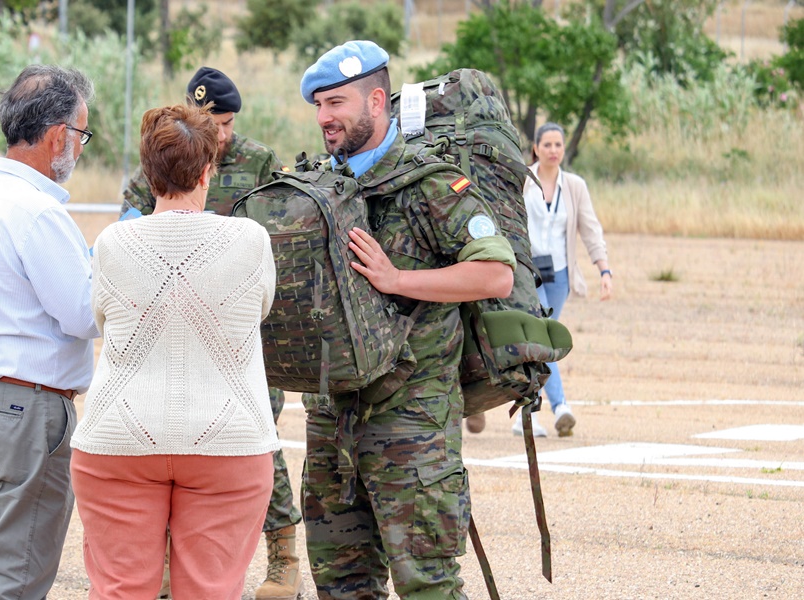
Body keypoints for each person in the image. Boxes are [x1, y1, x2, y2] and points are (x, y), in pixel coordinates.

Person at [298, 41, 516, 598]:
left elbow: (495, 274)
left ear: (376, 100)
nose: (325, 117)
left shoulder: (431, 185)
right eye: (318, 105)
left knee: (429, 588)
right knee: (342, 587)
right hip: (332, 427)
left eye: (336, 103)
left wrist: (398, 280)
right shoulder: (317, 190)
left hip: (412, 425)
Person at [71, 102, 279, 600]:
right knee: (211, 592)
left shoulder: (114, 242)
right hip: (228, 441)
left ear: (148, 171)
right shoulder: (251, 239)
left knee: (120, 591)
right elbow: (260, 309)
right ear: (208, 170)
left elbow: (102, 318)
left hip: (118, 439)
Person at [120, 67, 303, 600]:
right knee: (175, 448)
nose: (220, 135)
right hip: (175, 333)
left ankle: (284, 555)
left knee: (258, 442)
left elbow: (284, 242)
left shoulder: (261, 162)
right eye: (211, 123)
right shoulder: (165, 160)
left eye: (225, 124)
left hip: (238, 337)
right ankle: (175, 571)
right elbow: (134, 229)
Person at [0, 65, 100, 600]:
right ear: (58, 136)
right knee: (16, 581)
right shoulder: (36, 214)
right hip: (24, 409)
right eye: (81, 133)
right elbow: (80, 313)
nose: (79, 147)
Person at [516, 122, 613, 438]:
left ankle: (527, 412)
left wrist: (604, 270)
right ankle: (559, 408)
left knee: (542, 344)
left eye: (558, 145)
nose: (554, 151)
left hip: (559, 276)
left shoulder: (574, 186)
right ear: (536, 148)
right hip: (527, 275)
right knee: (545, 340)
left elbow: (590, 228)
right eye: (547, 145)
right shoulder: (521, 180)